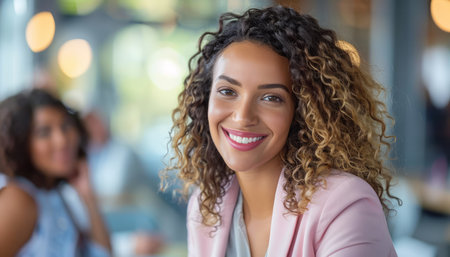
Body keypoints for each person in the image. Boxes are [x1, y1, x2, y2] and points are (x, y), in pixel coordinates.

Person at [164, 6, 400, 257]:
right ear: (204, 100)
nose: (243, 116)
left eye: (270, 97)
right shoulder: (205, 208)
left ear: (303, 112)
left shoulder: (345, 205)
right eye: (227, 91)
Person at [0, 88, 112, 257]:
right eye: (44, 132)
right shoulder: (19, 200)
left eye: (66, 126)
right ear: (21, 143)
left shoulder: (53, 192)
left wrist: (88, 195)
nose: (62, 140)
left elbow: (101, 254)